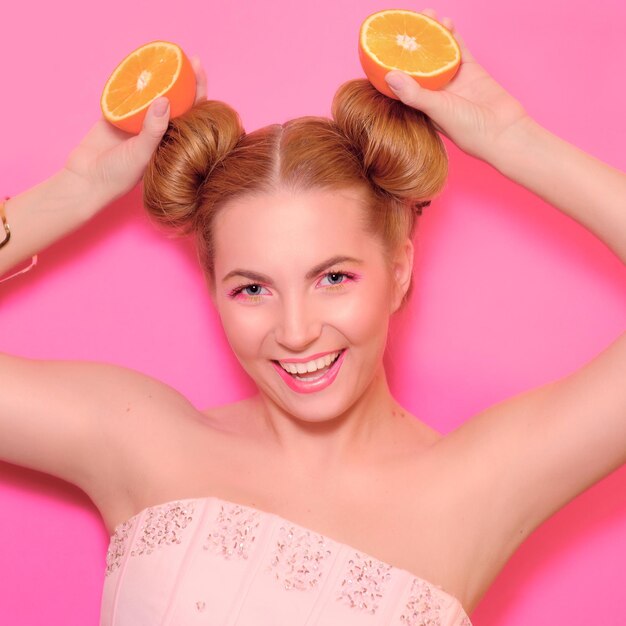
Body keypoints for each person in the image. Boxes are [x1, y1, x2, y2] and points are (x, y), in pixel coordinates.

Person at [1, 8, 624, 625]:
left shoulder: (474, 486)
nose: (296, 331)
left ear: (399, 271)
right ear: (212, 286)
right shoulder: (140, 442)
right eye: (251, 290)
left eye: (334, 278)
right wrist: (74, 190)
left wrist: (515, 140)